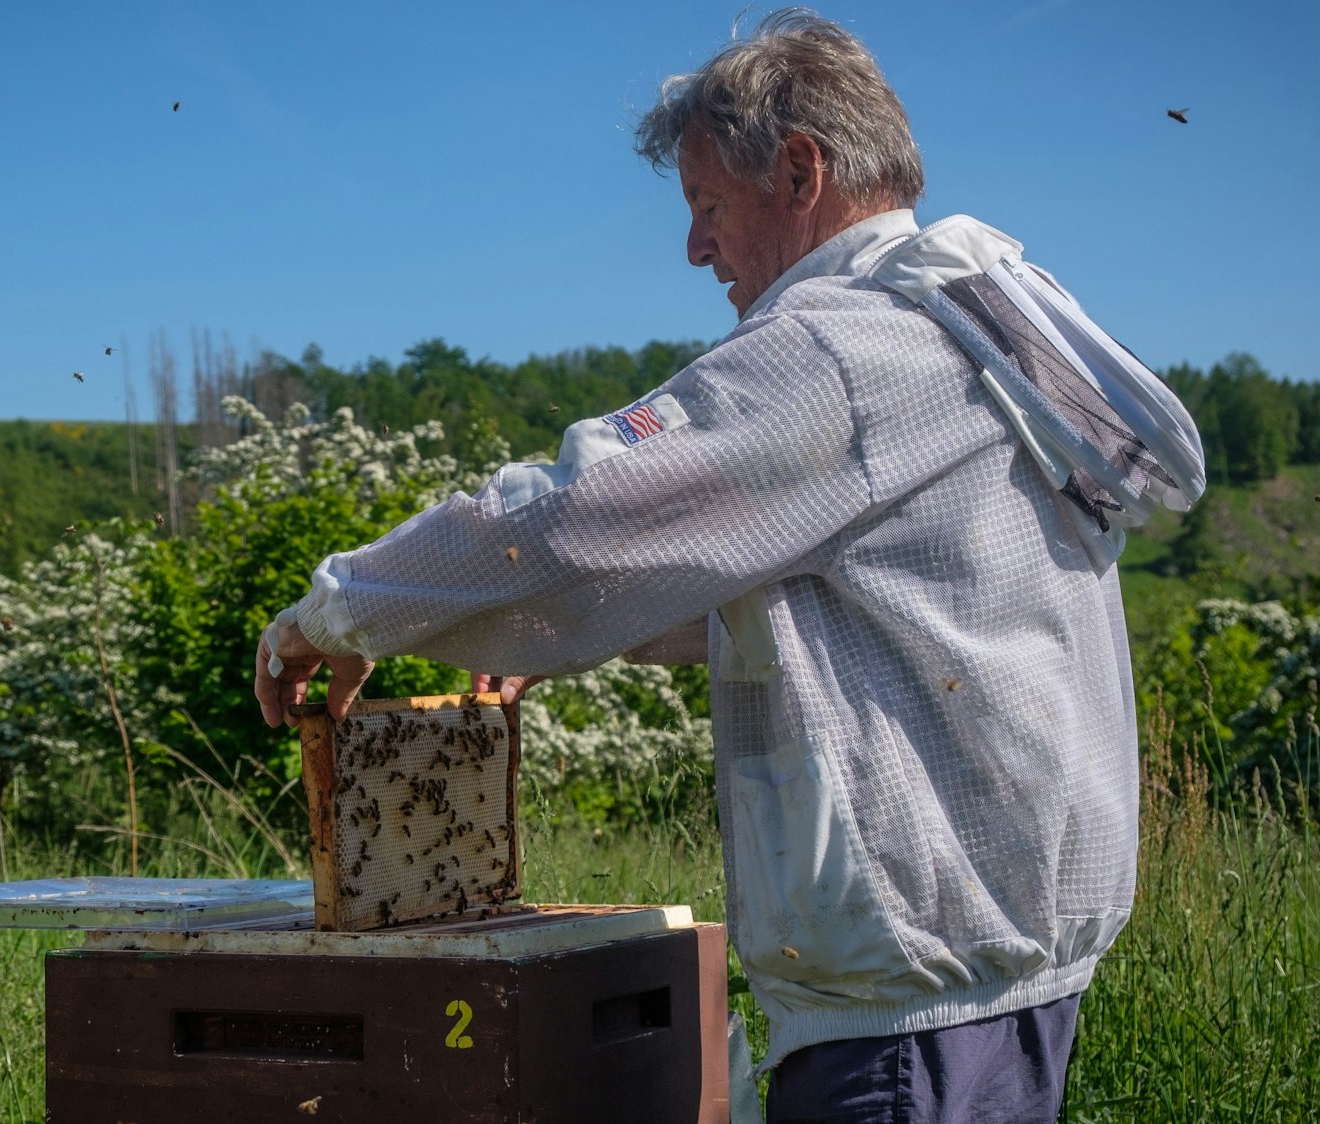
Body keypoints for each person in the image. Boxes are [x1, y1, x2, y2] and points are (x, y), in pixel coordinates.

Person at [253, 11, 1202, 1123]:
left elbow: (567, 517)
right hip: (1006, 985)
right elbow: (870, 607)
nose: (696, 249)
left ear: (799, 171)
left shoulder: (842, 348)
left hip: (907, 1020)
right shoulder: (967, 328)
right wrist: (566, 632)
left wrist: (339, 612)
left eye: (707, 206)